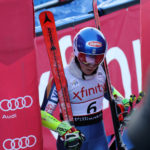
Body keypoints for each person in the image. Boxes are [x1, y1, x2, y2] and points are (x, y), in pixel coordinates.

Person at [41, 27, 130, 150]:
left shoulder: (101, 72)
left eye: (98, 58)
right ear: (77, 53)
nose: (92, 64)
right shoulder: (62, 77)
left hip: (98, 139)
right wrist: (63, 129)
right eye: (86, 58)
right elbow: (42, 114)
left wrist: (122, 103)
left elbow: (110, 91)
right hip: (73, 140)